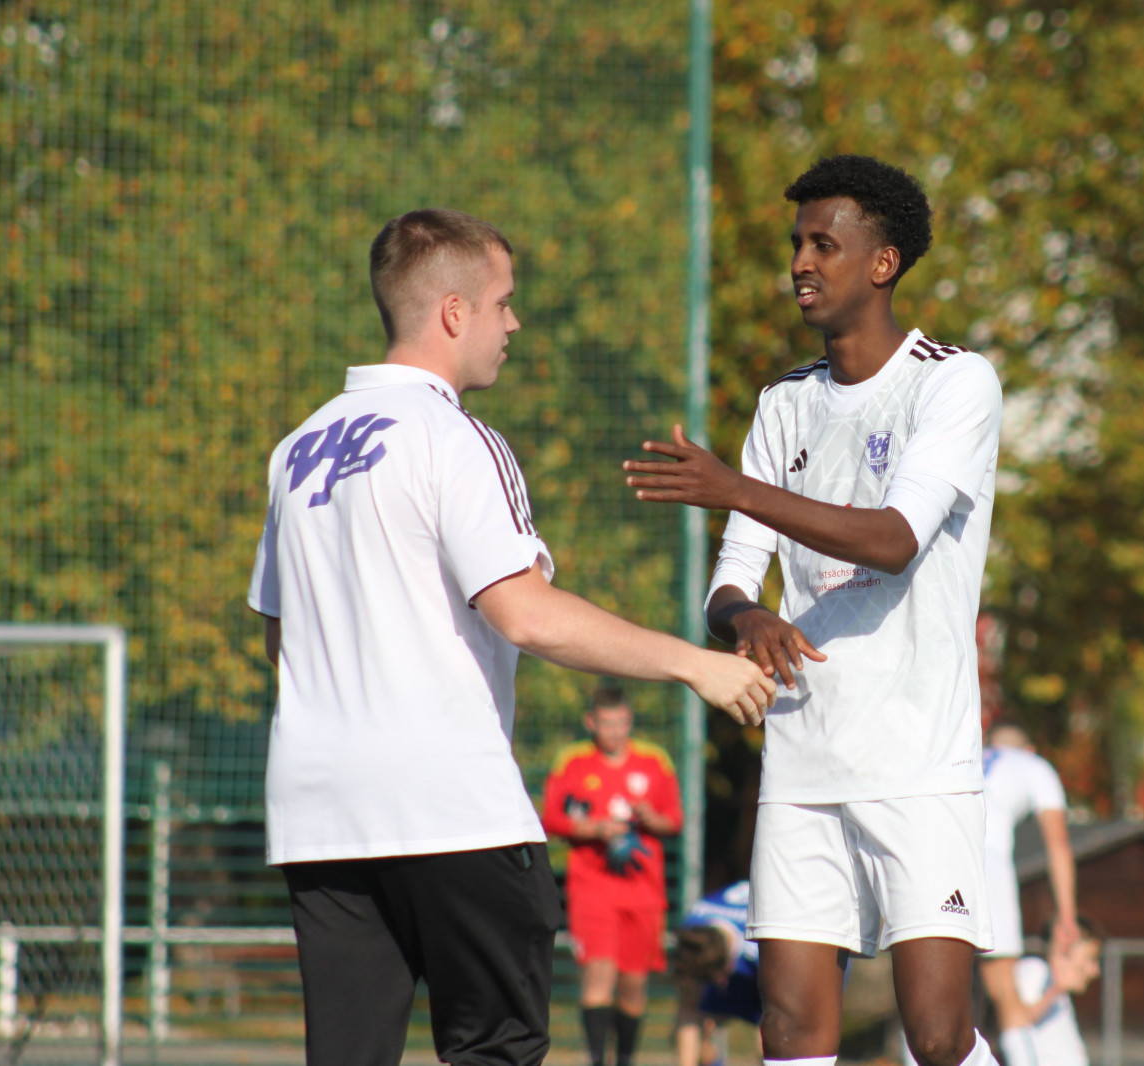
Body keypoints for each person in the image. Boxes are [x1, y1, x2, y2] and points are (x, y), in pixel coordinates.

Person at [247, 208, 774, 1066]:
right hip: (450, 808)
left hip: (318, 814)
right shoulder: (453, 437)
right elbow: (525, 614)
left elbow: (282, 638)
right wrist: (695, 666)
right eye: (504, 302)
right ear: (454, 313)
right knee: (497, 1048)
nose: (514, 324)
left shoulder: (296, 448)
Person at [622, 154, 1005, 1066]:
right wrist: (743, 620)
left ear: (882, 262)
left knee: (940, 1038)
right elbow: (729, 585)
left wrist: (735, 489)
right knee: (789, 1030)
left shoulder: (954, 383)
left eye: (823, 244)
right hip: (801, 762)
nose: (801, 261)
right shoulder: (785, 402)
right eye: (796, 243)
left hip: (918, 762)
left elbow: (894, 538)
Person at [541, 686, 683, 1066]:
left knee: (634, 984)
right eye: (606, 723)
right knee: (599, 972)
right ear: (592, 722)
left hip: (643, 890)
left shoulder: (655, 762)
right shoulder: (573, 762)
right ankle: (597, 1060)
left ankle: (625, 1059)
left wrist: (651, 819)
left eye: (621, 723)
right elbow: (550, 818)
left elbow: (674, 819)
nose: (614, 731)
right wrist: (595, 830)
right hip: (592, 888)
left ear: (629, 721)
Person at [980, 724, 1077, 1043]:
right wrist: (1067, 917)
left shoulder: (970, 756)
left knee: (927, 991)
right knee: (1007, 995)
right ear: (1030, 749)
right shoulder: (1035, 766)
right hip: (986, 861)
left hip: (934, 857)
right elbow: (1058, 844)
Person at [673, 881, 762, 1066]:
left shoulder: (760, 943)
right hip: (733, 964)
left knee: (778, 1038)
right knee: (690, 1004)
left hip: (758, 980)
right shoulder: (693, 926)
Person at [998, 917, 1103, 1066]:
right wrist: (1055, 990)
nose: (1095, 971)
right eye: (1091, 958)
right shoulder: (1035, 970)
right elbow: (1017, 1021)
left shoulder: (1058, 992)